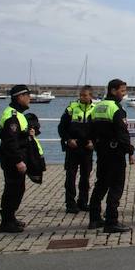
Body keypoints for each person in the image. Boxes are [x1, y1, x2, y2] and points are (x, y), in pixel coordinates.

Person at [88, 79, 135, 233]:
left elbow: (90, 130)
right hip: (115, 153)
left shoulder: (97, 107)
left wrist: (97, 145)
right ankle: (111, 221)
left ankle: (94, 218)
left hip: (101, 151)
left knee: (101, 184)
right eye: (122, 91)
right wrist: (130, 151)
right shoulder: (116, 109)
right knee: (116, 186)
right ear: (113, 91)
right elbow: (122, 133)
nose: (124, 94)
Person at [0, 85, 33, 232]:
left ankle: (11, 218)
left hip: (15, 157)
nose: (30, 98)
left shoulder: (18, 114)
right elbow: (11, 141)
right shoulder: (12, 116)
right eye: (27, 95)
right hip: (12, 159)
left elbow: (19, 137)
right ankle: (6, 222)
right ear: (20, 97)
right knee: (12, 189)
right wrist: (18, 161)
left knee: (17, 189)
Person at [57, 85, 95, 213]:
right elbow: (61, 128)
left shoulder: (95, 110)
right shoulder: (71, 109)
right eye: (81, 95)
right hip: (73, 147)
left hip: (87, 148)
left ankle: (83, 202)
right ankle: (70, 203)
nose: (82, 97)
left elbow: (99, 130)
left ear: (91, 96)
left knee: (85, 177)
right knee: (70, 176)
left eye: (85, 95)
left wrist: (93, 142)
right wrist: (68, 139)